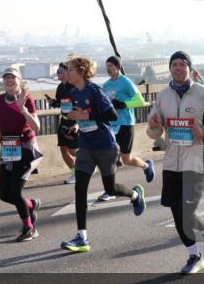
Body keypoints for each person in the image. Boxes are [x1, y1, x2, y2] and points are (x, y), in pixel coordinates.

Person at [146, 51, 204, 274]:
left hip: (197, 160)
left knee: (187, 210)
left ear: (189, 69)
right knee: (176, 210)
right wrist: (154, 125)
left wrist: (203, 131)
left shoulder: (202, 93)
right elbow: (153, 132)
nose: (179, 68)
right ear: (170, 69)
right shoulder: (163, 96)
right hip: (172, 160)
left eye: (183, 64)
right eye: (174, 64)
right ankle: (194, 255)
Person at [60, 56, 146, 253]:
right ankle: (82, 237)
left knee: (111, 188)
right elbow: (79, 113)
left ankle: (134, 194)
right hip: (86, 146)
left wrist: (86, 116)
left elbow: (112, 115)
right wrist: (75, 123)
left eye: (71, 70)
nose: (67, 73)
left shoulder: (95, 90)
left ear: (81, 72)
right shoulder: (73, 92)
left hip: (105, 146)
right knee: (80, 189)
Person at [0, 67, 44, 242]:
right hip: (7, 148)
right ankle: (31, 205)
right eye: (6, 78)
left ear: (19, 80)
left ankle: (29, 227)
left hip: (25, 148)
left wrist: (23, 109)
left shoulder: (26, 99)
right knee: (5, 195)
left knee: (15, 191)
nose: (9, 81)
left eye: (13, 78)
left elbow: (36, 127)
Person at [96, 56, 153, 202]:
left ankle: (146, 166)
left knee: (126, 159)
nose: (108, 68)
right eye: (106, 66)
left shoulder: (126, 82)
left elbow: (139, 100)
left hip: (126, 124)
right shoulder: (107, 85)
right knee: (109, 158)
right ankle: (110, 190)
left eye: (110, 66)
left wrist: (122, 104)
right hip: (112, 125)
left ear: (117, 66)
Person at [45, 62, 79, 184]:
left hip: (74, 122)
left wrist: (77, 123)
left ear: (67, 73)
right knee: (63, 150)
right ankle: (75, 173)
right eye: (57, 72)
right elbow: (61, 103)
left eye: (59, 72)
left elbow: (81, 106)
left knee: (72, 151)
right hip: (63, 121)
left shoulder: (74, 87)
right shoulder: (60, 87)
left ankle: (88, 161)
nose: (57, 74)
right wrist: (53, 102)